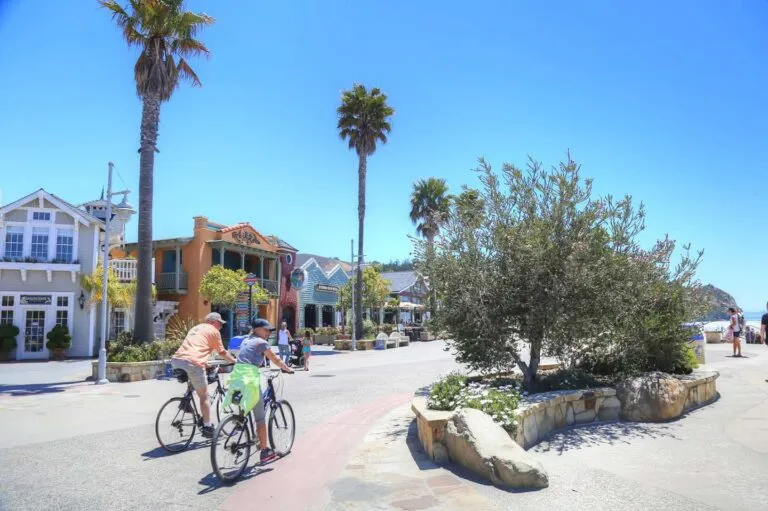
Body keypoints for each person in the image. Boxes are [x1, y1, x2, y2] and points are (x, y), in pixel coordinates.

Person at [234, 318, 294, 463]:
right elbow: (275, 359)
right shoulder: (261, 343)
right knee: (260, 418)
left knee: (246, 406)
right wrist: (287, 368)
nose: (268, 332)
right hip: (249, 379)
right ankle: (264, 452)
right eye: (265, 329)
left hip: (236, 378)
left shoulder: (246, 340)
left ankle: (241, 423)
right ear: (256, 329)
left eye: (269, 330)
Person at [171, 312, 237, 438]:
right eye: (220, 324)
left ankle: (186, 400)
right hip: (192, 363)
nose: (221, 327)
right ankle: (207, 427)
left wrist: (205, 364)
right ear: (214, 322)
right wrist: (234, 361)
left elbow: (195, 348)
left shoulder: (195, 328)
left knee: (194, 376)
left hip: (177, 360)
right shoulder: (214, 331)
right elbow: (222, 352)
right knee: (204, 396)